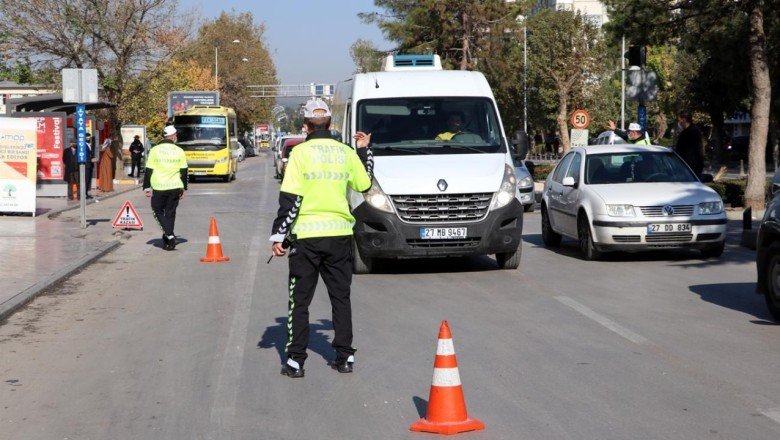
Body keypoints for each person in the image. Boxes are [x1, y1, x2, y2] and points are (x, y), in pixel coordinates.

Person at [270, 99, 373, 378]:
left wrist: (280, 235)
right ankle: (344, 357)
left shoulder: (300, 154)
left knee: (300, 300)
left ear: (305, 126)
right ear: (330, 124)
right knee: (340, 297)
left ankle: (295, 361)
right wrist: (363, 152)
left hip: (307, 237)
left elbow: (291, 198)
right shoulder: (346, 152)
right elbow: (364, 184)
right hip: (339, 235)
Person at [143, 126, 188, 251]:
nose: (176, 137)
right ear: (173, 136)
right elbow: (184, 171)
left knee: (157, 211)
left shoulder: (155, 150)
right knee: (170, 213)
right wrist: (183, 188)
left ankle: (169, 235)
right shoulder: (179, 150)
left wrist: (147, 187)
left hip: (159, 186)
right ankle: (169, 240)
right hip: (174, 186)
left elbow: (149, 170)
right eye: (176, 135)